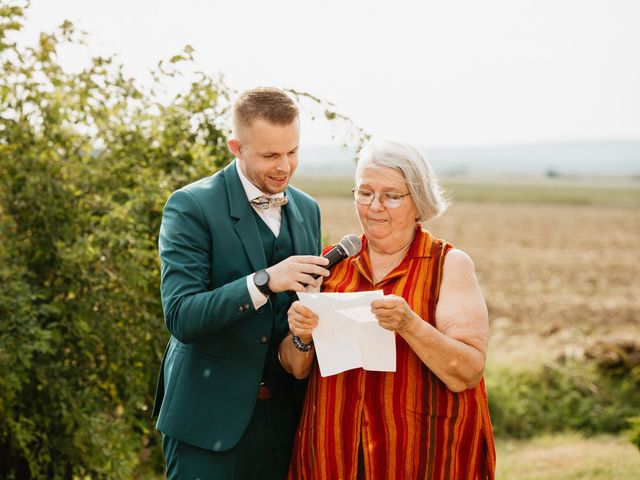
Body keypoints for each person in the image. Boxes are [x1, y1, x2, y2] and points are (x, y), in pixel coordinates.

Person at [280, 139, 496, 479]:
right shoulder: (333, 262)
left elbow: (467, 371)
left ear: (419, 201)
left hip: (421, 454)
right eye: (365, 193)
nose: (375, 206)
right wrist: (301, 335)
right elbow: (294, 367)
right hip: (334, 453)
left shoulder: (447, 264)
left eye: (391, 196)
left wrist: (410, 324)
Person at [151, 87, 329, 479]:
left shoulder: (308, 209)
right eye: (270, 155)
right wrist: (264, 281)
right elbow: (181, 316)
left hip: (286, 421)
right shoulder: (191, 206)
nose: (284, 166)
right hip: (207, 423)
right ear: (237, 147)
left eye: (293, 151)